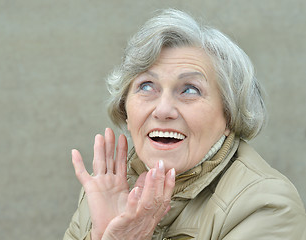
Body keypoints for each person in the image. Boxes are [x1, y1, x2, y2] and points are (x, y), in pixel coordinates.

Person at [64, 9, 306, 240]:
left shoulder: (266, 205)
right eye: (146, 86)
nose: (163, 110)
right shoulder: (104, 190)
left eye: (190, 90)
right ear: (125, 109)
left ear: (229, 116)